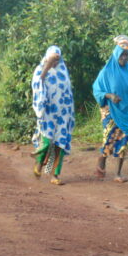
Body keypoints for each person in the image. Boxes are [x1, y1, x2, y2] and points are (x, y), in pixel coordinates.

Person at [93, 35, 128, 183]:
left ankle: (118, 174)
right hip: (110, 110)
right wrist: (110, 96)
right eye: (122, 54)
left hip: (126, 112)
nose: (125, 58)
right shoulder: (106, 72)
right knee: (110, 138)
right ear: (116, 53)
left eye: (127, 55)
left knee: (124, 139)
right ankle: (102, 158)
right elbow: (96, 90)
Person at [31, 45, 75, 185]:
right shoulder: (40, 70)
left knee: (59, 145)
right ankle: (39, 163)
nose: (55, 63)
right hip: (48, 113)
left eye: (57, 60)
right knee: (47, 142)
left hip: (63, 114)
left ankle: (55, 175)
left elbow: (67, 92)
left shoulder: (63, 71)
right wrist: (48, 65)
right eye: (52, 60)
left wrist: (69, 113)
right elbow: (38, 84)